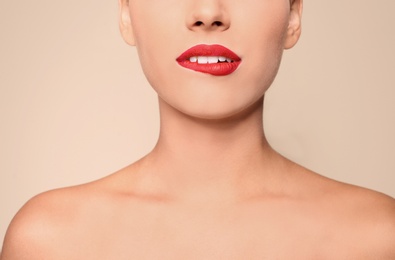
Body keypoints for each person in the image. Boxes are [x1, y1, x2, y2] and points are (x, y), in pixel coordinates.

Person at [2, 0, 395, 258]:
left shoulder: (377, 237)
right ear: (126, 15)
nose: (208, 12)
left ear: (293, 17)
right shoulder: (48, 242)